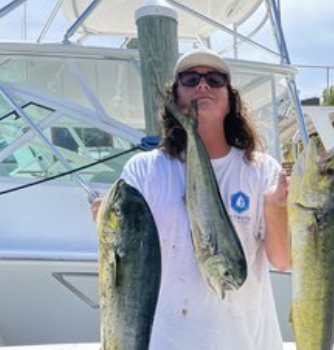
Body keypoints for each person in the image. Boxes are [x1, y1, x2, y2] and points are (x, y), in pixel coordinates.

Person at [92, 48, 290, 350]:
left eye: (214, 79)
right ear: (176, 97)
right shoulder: (143, 170)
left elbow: (283, 260)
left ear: (230, 102)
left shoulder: (262, 170)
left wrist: (275, 208)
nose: (202, 85)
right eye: (190, 79)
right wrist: (104, 222)